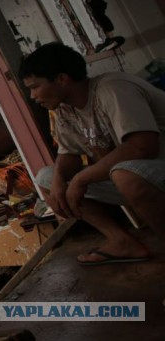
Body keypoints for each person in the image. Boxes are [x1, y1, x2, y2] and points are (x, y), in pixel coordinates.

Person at [19, 42, 165, 265]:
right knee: (47, 178)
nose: (32, 96)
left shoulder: (112, 89)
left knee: (125, 174)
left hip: (151, 171)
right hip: (137, 178)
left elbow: (142, 147)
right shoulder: (65, 109)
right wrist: (59, 181)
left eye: (35, 86)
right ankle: (122, 241)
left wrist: (80, 179)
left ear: (61, 79)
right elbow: (68, 154)